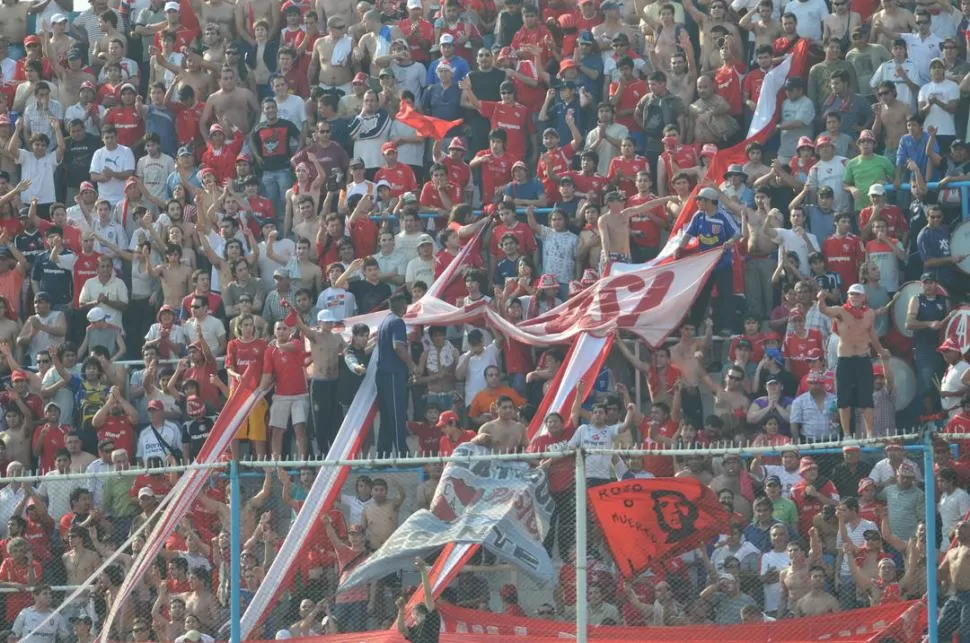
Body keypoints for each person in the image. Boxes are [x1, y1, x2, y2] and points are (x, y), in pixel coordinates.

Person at [816, 284, 889, 438]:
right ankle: (847, 434)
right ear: (848, 296)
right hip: (845, 359)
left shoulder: (869, 313)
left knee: (866, 397)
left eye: (857, 295)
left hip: (863, 358)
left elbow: (872, 334)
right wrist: (821, 299)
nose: (854, 297)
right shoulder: (841, 311)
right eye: (851, 294)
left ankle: (870, 433)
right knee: (844, 398)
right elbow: (824, 310)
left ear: (863, 297)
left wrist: (881, 350)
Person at [375, 293, 415, 455]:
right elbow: (398, 347)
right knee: (397, 413)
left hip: (383, 374)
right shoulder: (397, 322)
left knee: (386, 416)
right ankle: (402, 452)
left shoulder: (385, 321)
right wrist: (411, 365)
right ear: (404, 305)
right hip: (393, 373)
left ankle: (382, 453)